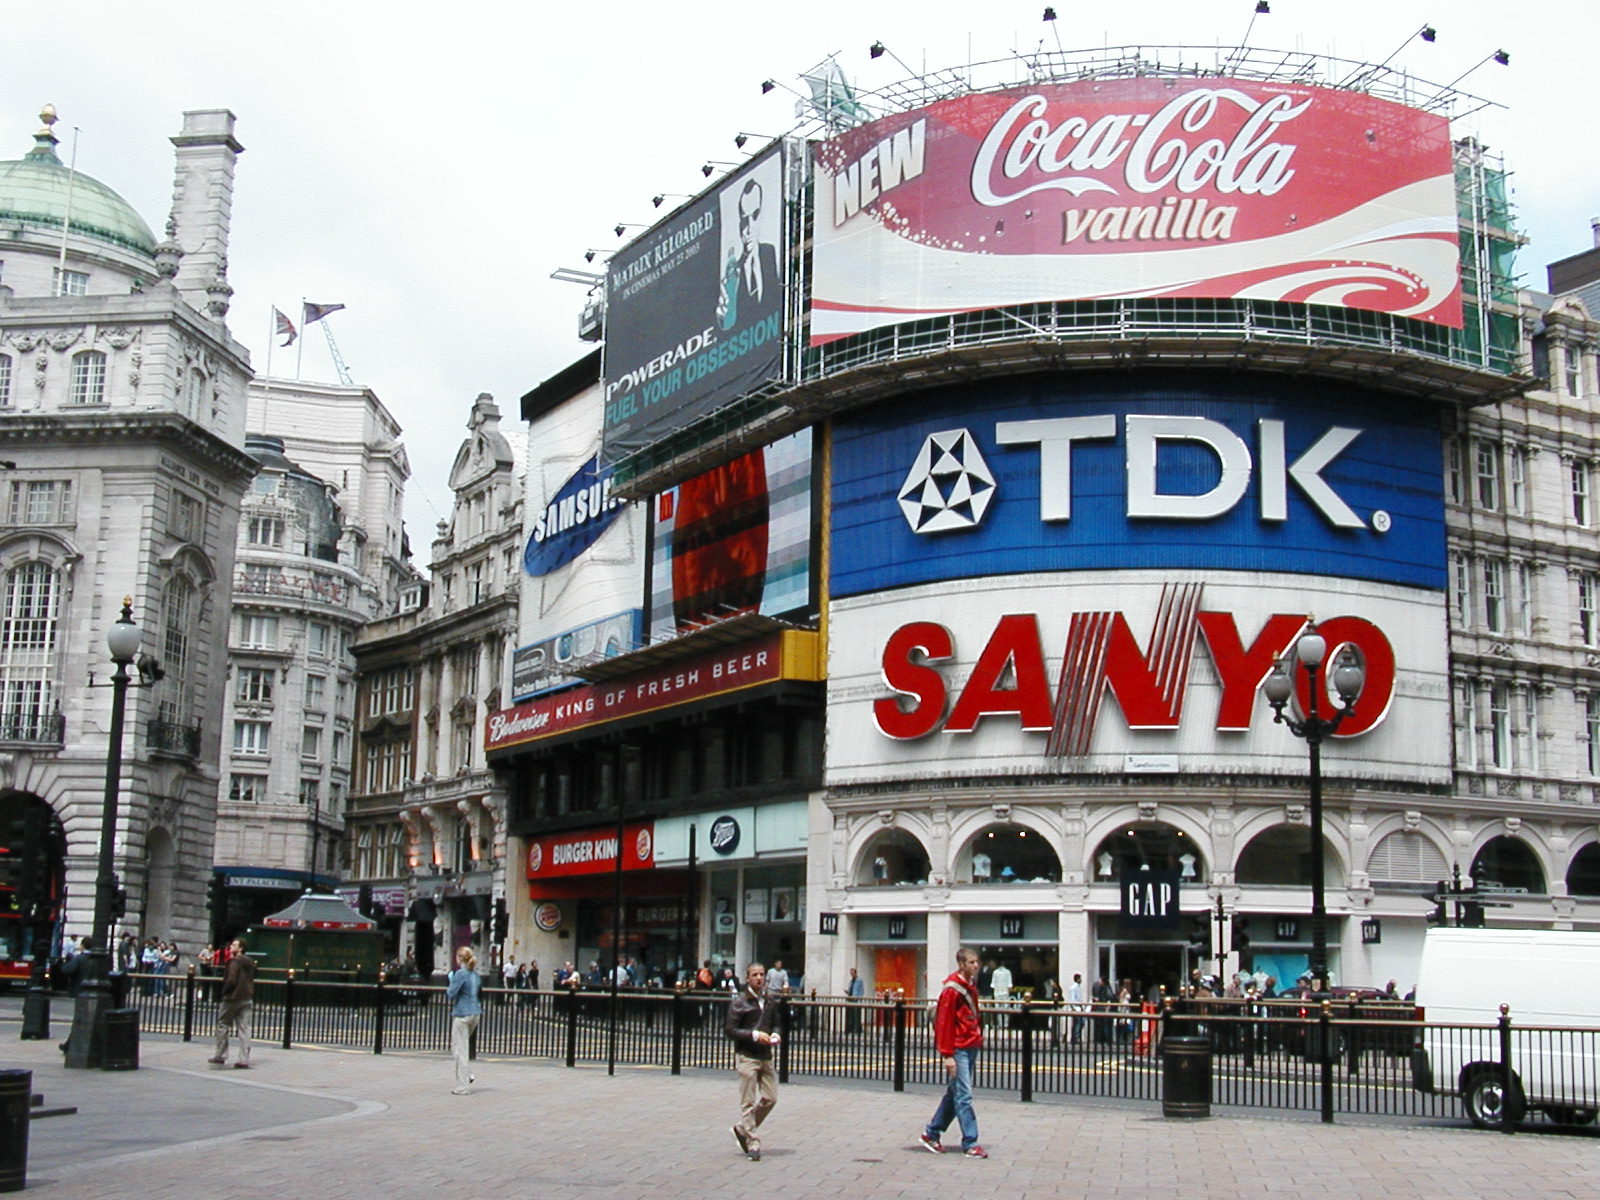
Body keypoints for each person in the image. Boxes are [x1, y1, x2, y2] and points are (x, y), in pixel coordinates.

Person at [920, 946, 987, 1158]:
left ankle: (932, 1133)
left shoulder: (969, 985)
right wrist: (947, 1054)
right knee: (964, 1095)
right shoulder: (952, 989)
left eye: (976, 962)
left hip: (970, 1044)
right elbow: (944, 1022)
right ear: (961, 964)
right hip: (959, 1047)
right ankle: (971, 1141)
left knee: (955, 1093)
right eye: (971, 962)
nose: (975, 966)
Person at [725, 962, 781, 1161]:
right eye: (755, 975)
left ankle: (742, 1129)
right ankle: (753, 1142)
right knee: (747, 1101)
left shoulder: (769, 1001)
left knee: (770, 1098)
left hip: (765, 1055)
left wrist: (775, 1034)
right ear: (747, 978)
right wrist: (754, 1035)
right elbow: (730, 1030)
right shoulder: (739, 1002)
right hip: (747, 1055)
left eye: (762, 974)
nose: (759, 978)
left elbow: (776, 1023)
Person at [207, 936, 256, 1069]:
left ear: (240, 948)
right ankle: (244, 1059)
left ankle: (221, 1055)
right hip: (247, 997)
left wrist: (224, 991)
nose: (231, 948)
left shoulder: (234, 961)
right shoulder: (250, 962)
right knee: (244, 1029)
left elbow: (231, 980)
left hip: (233, 997)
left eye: (234, 945)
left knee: (222, 1024)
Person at [447, 945, 482, 1095]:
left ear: (460, 958)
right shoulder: (475, 975)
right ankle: (468, 1075)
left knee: (460, 1050)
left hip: (462, 1014)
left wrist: (450, 980)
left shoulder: (461, 974)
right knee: (457, 1048)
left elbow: (451, 994)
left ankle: (462, 1086)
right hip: (475, 1013)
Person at [845, 966, 866, 1034]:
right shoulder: (851, 981)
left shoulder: (859, 980)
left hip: (856, 999)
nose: (852, 975)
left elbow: (861, 990)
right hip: (850, 999)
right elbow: (850, 989)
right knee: (851, 1015)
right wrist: (847, 992)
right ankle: (850, 1028)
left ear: (856, 973)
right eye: (851, 974)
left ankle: (857, 1029)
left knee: (856, 1015)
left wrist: (858, 998)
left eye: (853, 973)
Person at [1068, 972, 1086, 1045]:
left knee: (1079, 1023)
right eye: (1080, 978)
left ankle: (1076, 1036)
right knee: (1078, 1023)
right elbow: (1072, 999)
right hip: (1076, 1008)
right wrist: (1074, 1008)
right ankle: (1076, 1037)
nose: (1081, 980)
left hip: (1079, 1007)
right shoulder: (1073, 988)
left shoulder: (1078, 987)